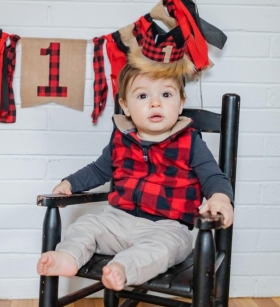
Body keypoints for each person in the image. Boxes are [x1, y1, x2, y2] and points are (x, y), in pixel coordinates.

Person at [37, 63, 234, 292]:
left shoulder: (190, 143)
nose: (155, 103)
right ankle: (68, 256)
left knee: (163, 248)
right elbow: (99, 170)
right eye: (142, 95)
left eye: (166, 94)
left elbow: (212, 176)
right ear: (126, 106)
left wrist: (220, 198)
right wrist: (70, 183)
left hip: (167, 228)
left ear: (181, 103)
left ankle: (122, 268)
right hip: (117, 220)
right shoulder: (122, 139)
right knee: (86, 225)